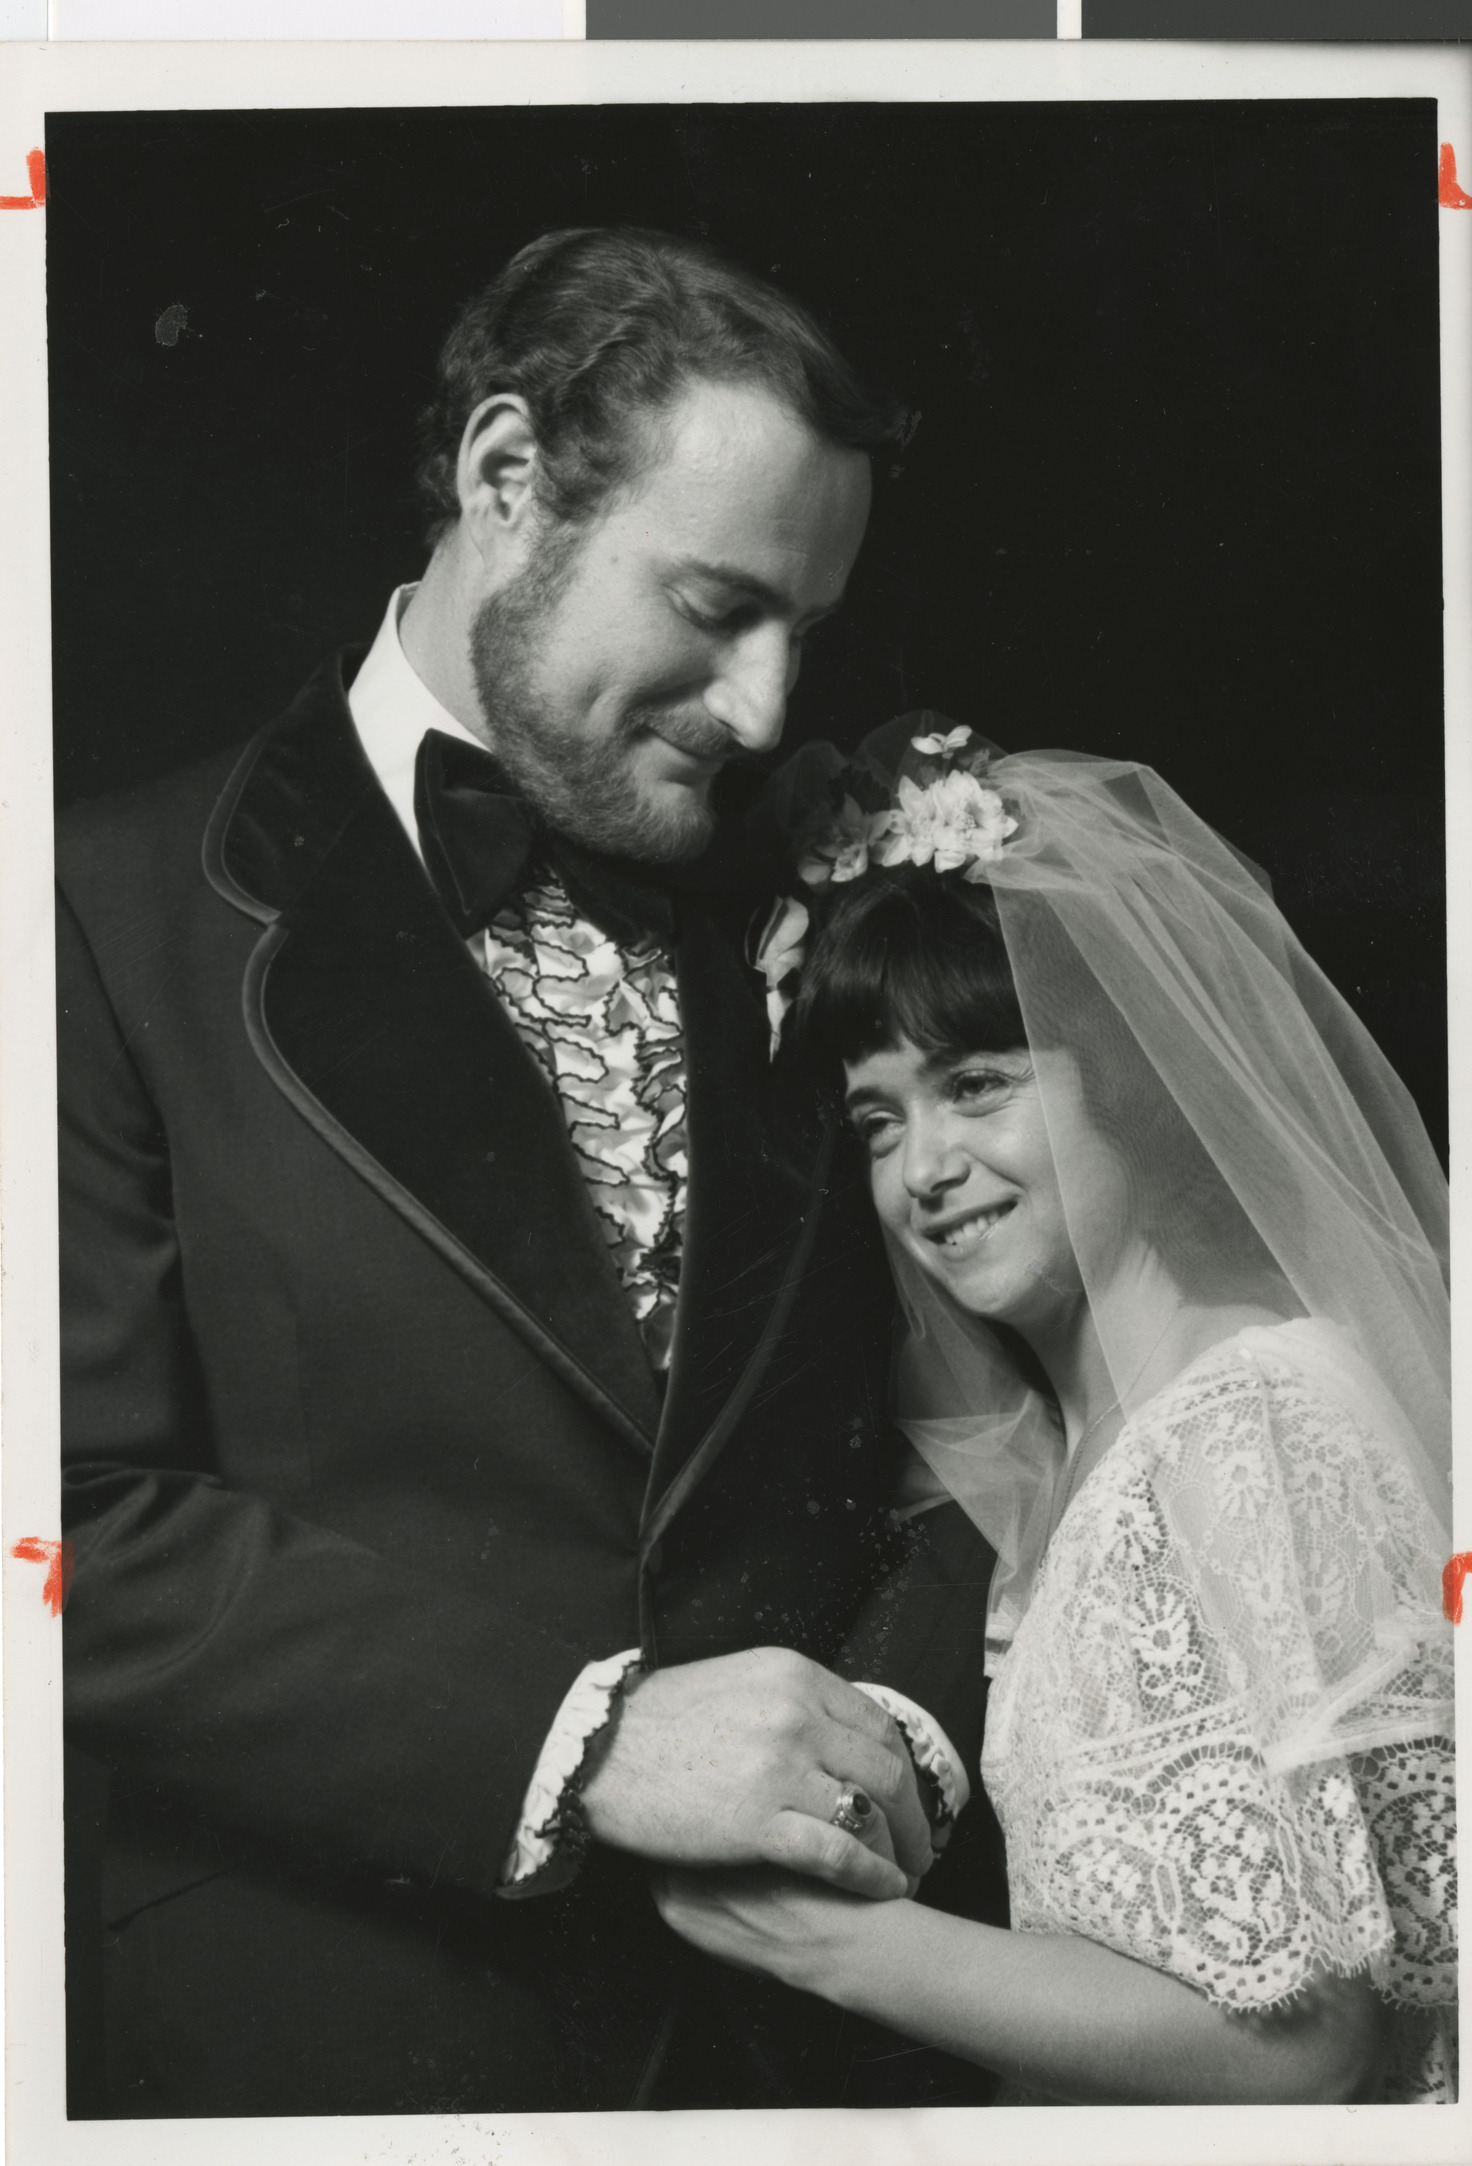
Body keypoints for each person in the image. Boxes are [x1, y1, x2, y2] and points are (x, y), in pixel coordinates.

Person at [56, 230, 1000, 2117]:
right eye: (718, 603)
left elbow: (996, 1404)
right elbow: (61, 1524)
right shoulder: (92, 917)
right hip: (324, 2046)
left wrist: (893, 1732)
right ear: (506, 479)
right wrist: (580, 1746)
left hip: (817, 2053)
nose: (758, 706)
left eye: (800, 631)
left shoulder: (810, 897)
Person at [657, 718, 1457, 2104]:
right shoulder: (1074, 1449)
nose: (927, 1170)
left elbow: (1302, 2040)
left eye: (977, 1086)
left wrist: (829, 1944)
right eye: (879, 1121)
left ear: (1129, 1086)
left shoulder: (1246, 1426)